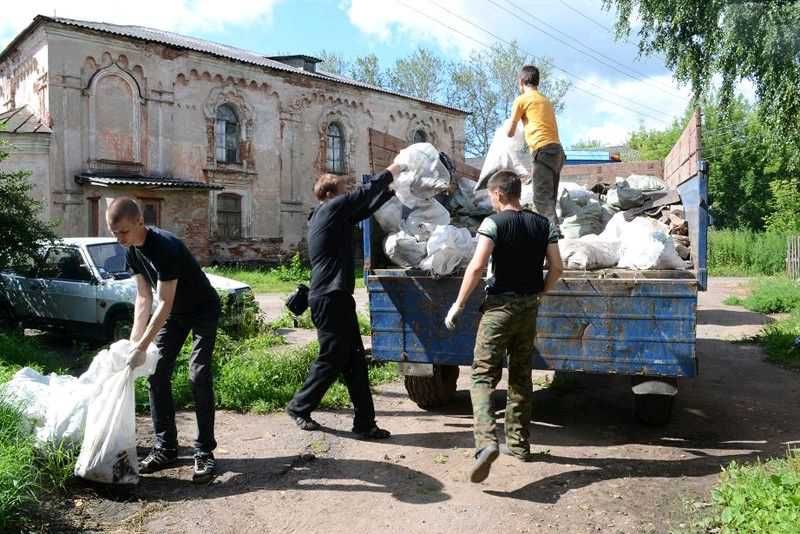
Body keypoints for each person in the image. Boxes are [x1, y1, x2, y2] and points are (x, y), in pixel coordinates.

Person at [443, 170, 563, 483]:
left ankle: (485, 443)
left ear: (498, 194)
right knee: (521, 375)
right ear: (517, 192)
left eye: (491, 196)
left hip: (498, 309)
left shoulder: (493, 223)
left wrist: (457, 304)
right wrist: (541, 292)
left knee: (482, 375)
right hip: (528, 309)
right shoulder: (544, 223)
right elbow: (557, 266)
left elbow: (479, 265)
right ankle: (520, 445)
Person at [286, 159, 406, 439]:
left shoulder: (330, 215)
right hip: (328, 298)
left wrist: (392, 193)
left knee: (354, 360)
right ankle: (299, 406)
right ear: (329, 194)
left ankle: (365, 423)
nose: (345, 194)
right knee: (333, 356)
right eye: (341, 190)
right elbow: (363, 195)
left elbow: (364, 207)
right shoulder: (330, 208)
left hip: (337, 297)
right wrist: (393, 170)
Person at [106, 197, 221, 484]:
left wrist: (144, 346)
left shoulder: (165, 248)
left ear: (139, 222)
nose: (119, 239)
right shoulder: (132, 251)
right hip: (177, 313)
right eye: (113, 233)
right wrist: (134, 344)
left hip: (203, 308)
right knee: (156, 373)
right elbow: (143, 298)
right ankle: (166, 448)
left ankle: (205, 452)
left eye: (123, 232)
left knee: (199, 374)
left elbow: (163, 304)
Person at [506, 64, 565, 228]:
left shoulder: (522, 100)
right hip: (557, 152)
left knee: (541, 199)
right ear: (537, 82)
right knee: (550, 197)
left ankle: (551, 237)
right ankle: (553, 234)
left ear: (521, 82)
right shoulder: (545, 100)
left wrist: (507, 128)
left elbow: (510, 132)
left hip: (542, 150)